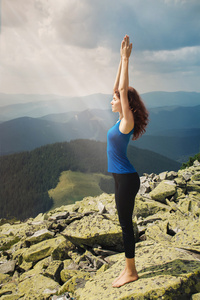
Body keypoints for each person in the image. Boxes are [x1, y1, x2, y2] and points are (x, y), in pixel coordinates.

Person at [107, 35, 149, 288]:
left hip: (127, 179)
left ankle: (130, 271)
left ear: (125, 104)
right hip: (120, 178)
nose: (112, 99)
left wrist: (126, 59)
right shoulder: (119, 120)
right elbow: (117, 89)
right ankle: (128, 268)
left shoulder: (126, 122)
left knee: (125, 224)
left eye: (116, 99)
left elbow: (122, 90)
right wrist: (119, 62)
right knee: (123, 222)